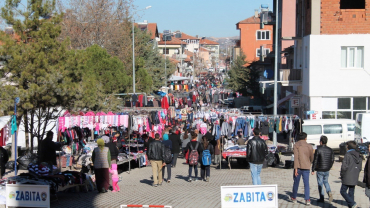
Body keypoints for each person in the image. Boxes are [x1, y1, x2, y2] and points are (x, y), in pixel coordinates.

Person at [291, 132, 314, 205]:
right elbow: (312, 157)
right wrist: (309, 162)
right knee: (306, 184)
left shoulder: (296, 145)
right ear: (305, 138)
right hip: (306, 167)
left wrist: (295, 168)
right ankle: (307, 199)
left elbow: (296, 158)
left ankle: (294, 197)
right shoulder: (309, 146)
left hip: (298, 167)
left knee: (296, 183)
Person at [311, 135, 334, 203]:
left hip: (320, 169)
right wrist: (329, 166)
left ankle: (322, 198)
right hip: (327, 169)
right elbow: (332, 159)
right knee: (326, 181)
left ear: (320, 142)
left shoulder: (318, 149)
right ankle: (329, 191)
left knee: (320, 183)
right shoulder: (330, 150)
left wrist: (313, 169)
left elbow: (315, 160)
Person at [340, 141, 362, 208]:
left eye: (346, 146)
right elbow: (360, 168)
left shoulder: (348, 154)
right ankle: (352, 206)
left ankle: (353, 204)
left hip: (347, 176)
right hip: (354, 176)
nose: (346, 147)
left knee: (343, 191)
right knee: (351, 192)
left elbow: (344, 167)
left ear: (348, 147)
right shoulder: (359, 155)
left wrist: (342, 175)